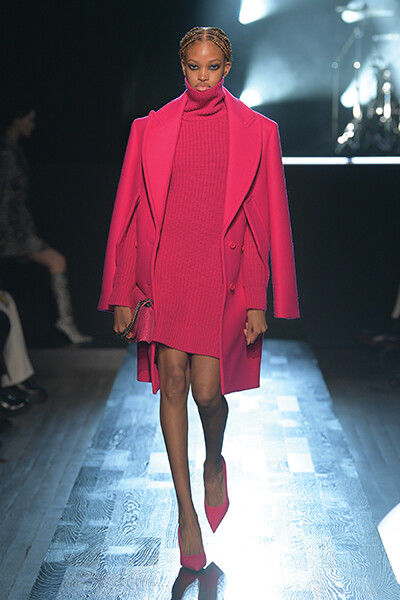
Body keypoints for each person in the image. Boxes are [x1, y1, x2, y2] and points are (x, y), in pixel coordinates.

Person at [99, 26, 300, 570]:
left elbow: (260, 225)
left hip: (219, 277)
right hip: (166, 274)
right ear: (182, 66)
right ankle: (185, 513)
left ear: (227, 68)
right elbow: (130, 215)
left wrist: (256, 300)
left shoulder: (258, 132)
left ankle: (214, 461)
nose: (203, 77)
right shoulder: (150, 128)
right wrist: (122, 291)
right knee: (173, 384)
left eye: (213, 67)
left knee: (209, 395)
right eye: (194, 66)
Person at [0, 104, 92, 344]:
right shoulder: (7, 154)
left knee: (55, 262)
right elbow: (6, 196)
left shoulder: (12, 151)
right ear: (17, 120)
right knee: (56, 261)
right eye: (29, 120)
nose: (32, 126)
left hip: (15, 229)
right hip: (11, 231)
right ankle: (66, 322)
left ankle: (66, 322)